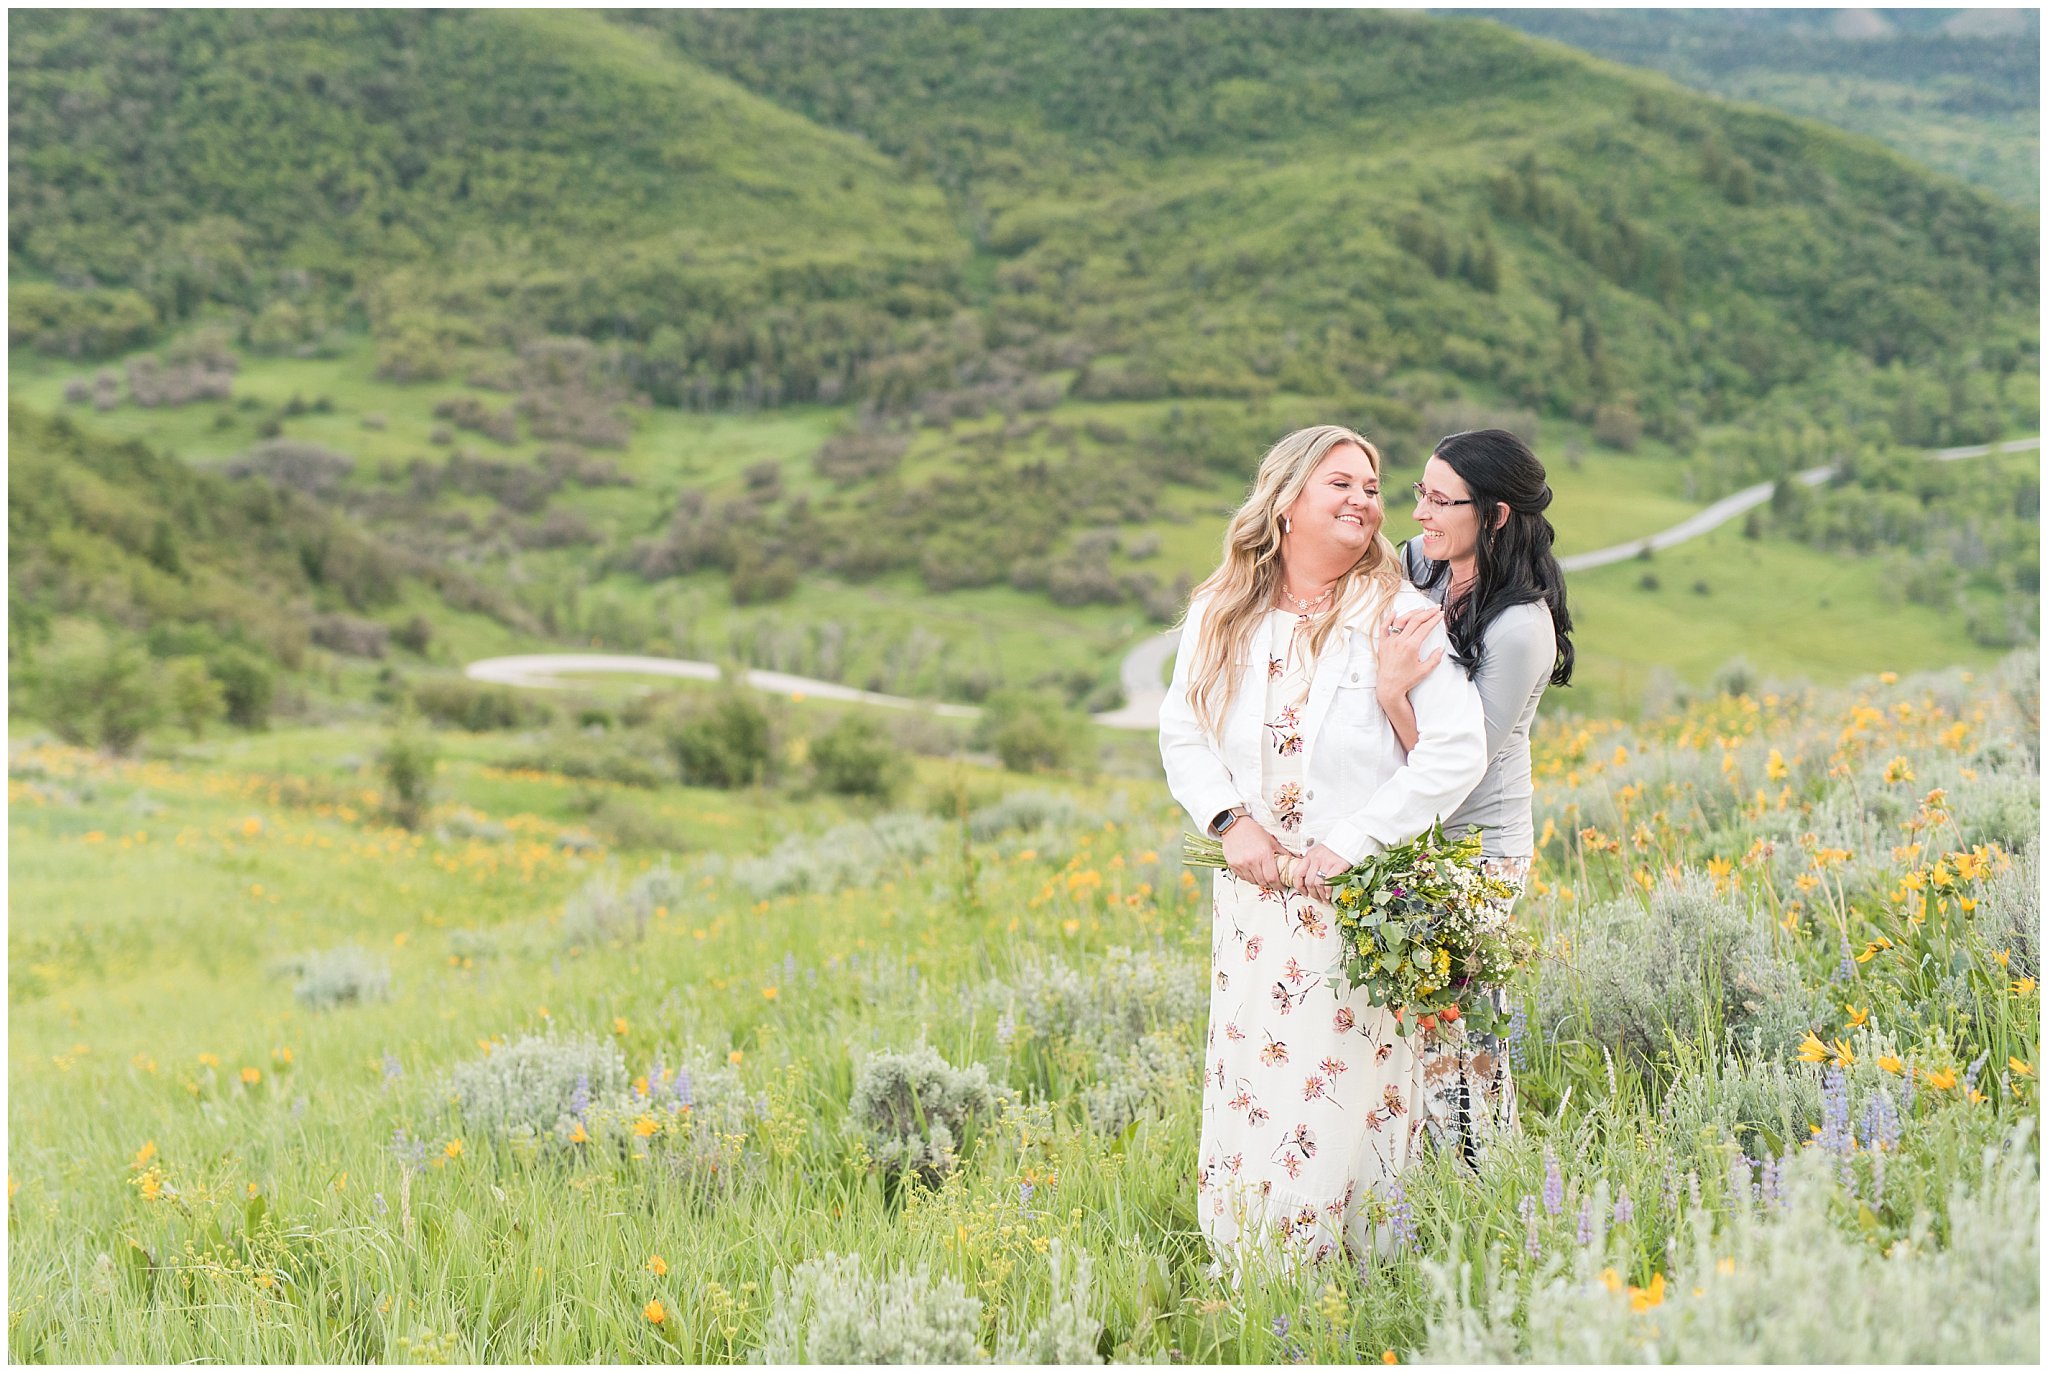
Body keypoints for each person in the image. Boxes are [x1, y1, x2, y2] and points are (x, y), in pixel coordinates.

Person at [1159, 423, 1487, 1273]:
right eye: (1341, 482)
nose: (1365, 500)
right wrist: (1231, 823)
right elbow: (1181, 732)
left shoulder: (1398, 614)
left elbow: (1459, 749)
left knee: (1343, 1092)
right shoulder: (1221, 613)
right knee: (1255, 1081)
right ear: (1287, 500)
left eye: (1373, 487)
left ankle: (1356, 1277)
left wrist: (1352, 841)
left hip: (1357, 903)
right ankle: (1253, 1274)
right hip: (1255, 905)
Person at [1377, 427, 1575, 1165]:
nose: (1420, 513)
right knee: (1427, 1018)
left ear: (1493, 515)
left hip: (1476, 848)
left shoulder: (1522, 627)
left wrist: (1391, 691)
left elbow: (1454, 765)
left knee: (1454, 1019)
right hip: (1415, 834)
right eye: (1419, 492)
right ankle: (1442, 1170)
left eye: (1441, 499)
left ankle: (1480, 1170)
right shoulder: (1421, 565)